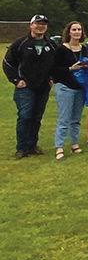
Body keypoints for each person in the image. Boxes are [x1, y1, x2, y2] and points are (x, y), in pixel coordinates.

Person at [5, 15, 58, 159]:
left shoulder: (51, 45)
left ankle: (32, 145)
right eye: (37, 24)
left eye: (43, 24)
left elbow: (56, 64)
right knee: (25, 116)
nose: (40, 26)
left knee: (36, 117)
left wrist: (52, 78)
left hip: (43, 87)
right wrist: (16, 80)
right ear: (31, 25)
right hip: (25, 87)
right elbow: (8, 63)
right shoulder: (20, 43)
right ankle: (21, 148)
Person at [52, 21, 88, 160]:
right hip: (65, 87)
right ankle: (59, 146)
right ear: (69, 32)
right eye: (74, 29)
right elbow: (54, 70)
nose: (77, 32)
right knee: (64, 118)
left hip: (80, 87)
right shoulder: (61, 49)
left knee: (76, 118)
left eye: (79, 29)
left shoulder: (83, 48)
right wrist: (70, 69)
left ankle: (74, 143)